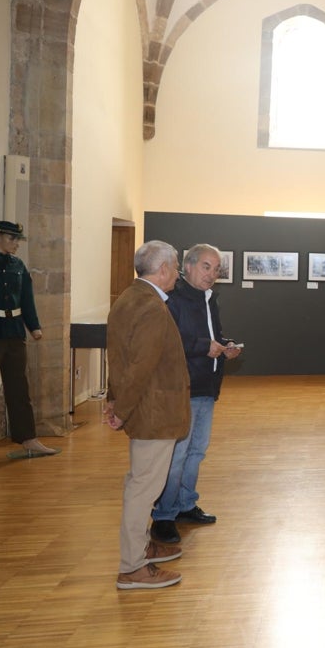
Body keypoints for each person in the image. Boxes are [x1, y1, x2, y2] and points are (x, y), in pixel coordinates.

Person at [106, 241, 191, 590]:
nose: (177, 273)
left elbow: (119, 358)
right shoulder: (152, 308)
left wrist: (116, 401)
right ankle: (133, 567)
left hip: (145, 409)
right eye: (175, 266)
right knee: (144, 488)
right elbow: (140, 367)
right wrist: (120, 410)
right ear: (164, 269)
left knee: (140, 482)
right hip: (155, 413)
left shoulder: (129, 298)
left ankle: (141, 547)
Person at [149, 244, 243, 545]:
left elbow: (211, 335)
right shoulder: (172, 299)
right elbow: (170, 341)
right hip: (182, 388)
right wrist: (206, 346)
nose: (212, 274)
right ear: (186, 266)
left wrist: (225, 345)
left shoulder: (209, 299)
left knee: (196, 453)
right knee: (176, 457)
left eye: (216, 269)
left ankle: (186, 505)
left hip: (206, 386)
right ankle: (163, 516)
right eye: (206, 266)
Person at [0, 220, 58, 459]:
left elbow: (26, 299)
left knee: (19, 389)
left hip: (14, 333)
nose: (16, 243)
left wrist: (34, 326)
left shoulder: (18, 265)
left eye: (18, 239)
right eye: (12, 238)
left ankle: (28, 439)